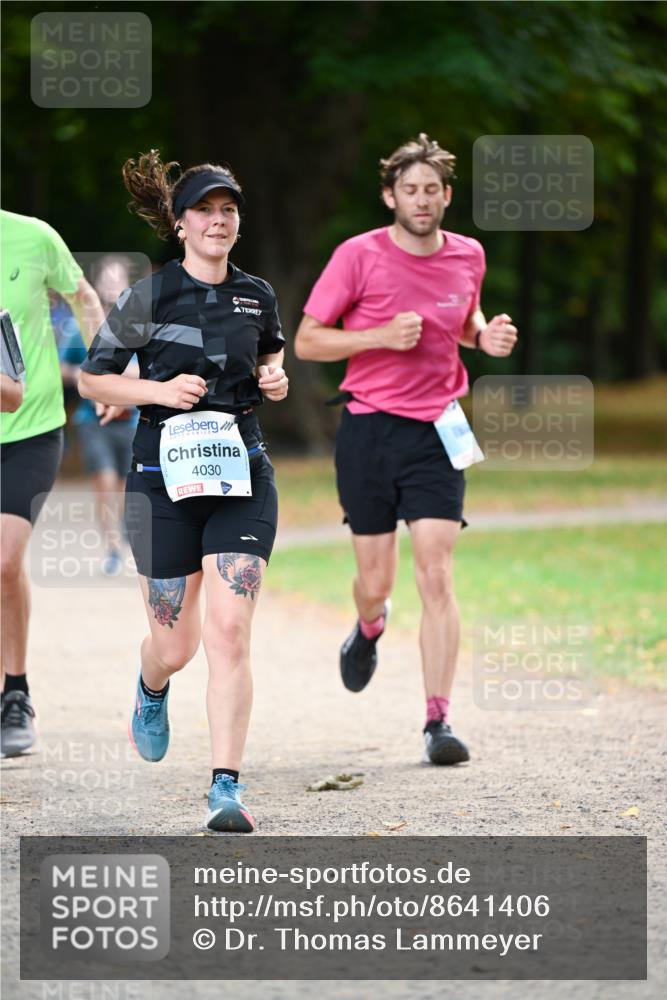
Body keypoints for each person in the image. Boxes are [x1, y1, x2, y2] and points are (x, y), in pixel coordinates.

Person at [78, 151, 288, 832]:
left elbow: (268, 360)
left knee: (229, 632)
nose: (219, 221)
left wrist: (276, 379)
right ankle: (152, 685)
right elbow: (94, 380)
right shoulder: (149, 294)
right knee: (176, 646)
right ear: (180, 222)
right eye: (205, 210)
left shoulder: (257, 294)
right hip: (160, 479)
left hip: (240, 474)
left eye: (229, 210)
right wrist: (157, 391)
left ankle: (225, 786)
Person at [295, 133, 518, 766]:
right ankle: (369, 625)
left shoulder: (468, 255)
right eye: (409, 190)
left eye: (432, 191)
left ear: (447, 196)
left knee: (437, 570)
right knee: (376, 580)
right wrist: (379, 336)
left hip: (438, 431)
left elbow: (465, 321)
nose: (421, 201)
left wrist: (486, 337)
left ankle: (437, 722)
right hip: (368, 431)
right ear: (391, 195)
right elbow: (309, 342)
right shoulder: (357, 256)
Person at [0, 209, 105, 758]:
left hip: (30, 428)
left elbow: (84, 297)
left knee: (3, 560)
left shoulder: (35, 236)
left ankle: (14, 692)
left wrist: (106, 372)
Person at [55, 256, 141, 576]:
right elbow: (64, 368)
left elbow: (152, 371)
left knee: (126, 485)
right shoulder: (81, 326)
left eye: (117, 279)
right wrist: (92, 375)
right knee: (105, 482)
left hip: (132, 421)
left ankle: (126, 532)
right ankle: (113, 548)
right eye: (105, 279)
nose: (111, 286)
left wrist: (121, 376)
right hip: (93, 423)